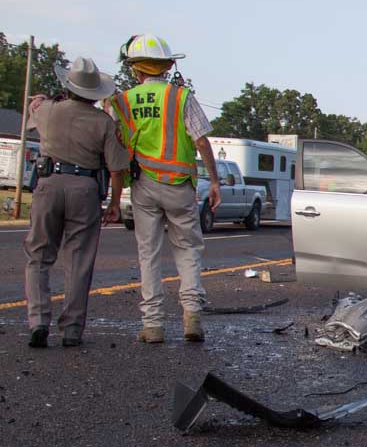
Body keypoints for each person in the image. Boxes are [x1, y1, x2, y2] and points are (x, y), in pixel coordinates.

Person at [108, 34, 221, 344]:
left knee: (149, 254)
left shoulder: (121, 101)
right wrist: (214, 180)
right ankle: (192, 317)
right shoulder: (181, 97)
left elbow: (115, 144)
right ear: (167, 66)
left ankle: (153, 324)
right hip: (180, 186)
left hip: (143, 185)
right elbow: (200, 141)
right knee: (187, 250)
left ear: (135, 68)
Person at [23, 57, 130, 347]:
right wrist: (115, 203)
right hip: (85, 189)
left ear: (67, 87)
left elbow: (33, 111)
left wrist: (41, 100)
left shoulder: (47, 111)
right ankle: (71, 330)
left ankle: (38, 321)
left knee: (39, 257)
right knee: (79, 262)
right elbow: (116, 169)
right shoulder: (104, 123)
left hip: (48, 185)